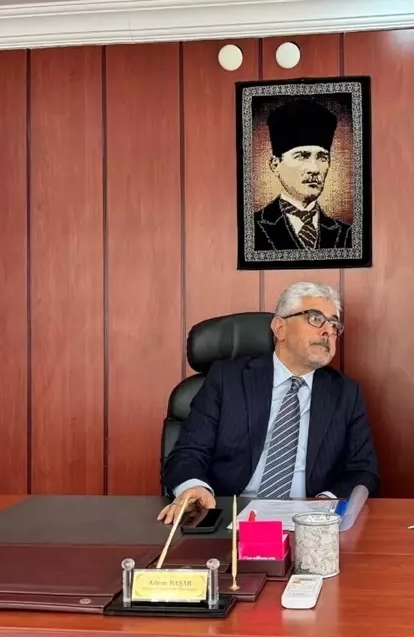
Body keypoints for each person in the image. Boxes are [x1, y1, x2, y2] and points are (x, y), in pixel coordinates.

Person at [158, 281, 378, 523]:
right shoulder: (227, 379)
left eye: (334, 325)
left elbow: (363, 469)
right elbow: (189, 451)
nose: (328, 331)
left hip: (308, 521)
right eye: (315, 319)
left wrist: (326, 501)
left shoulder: (345, 393)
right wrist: (195, 487)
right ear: (279, 328)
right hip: (229, 515)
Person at [252, 98, 353, 251]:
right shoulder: (252, 229)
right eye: (302, 156)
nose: (314, 169)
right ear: (275, 164)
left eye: (322, 157)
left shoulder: (347, 234)